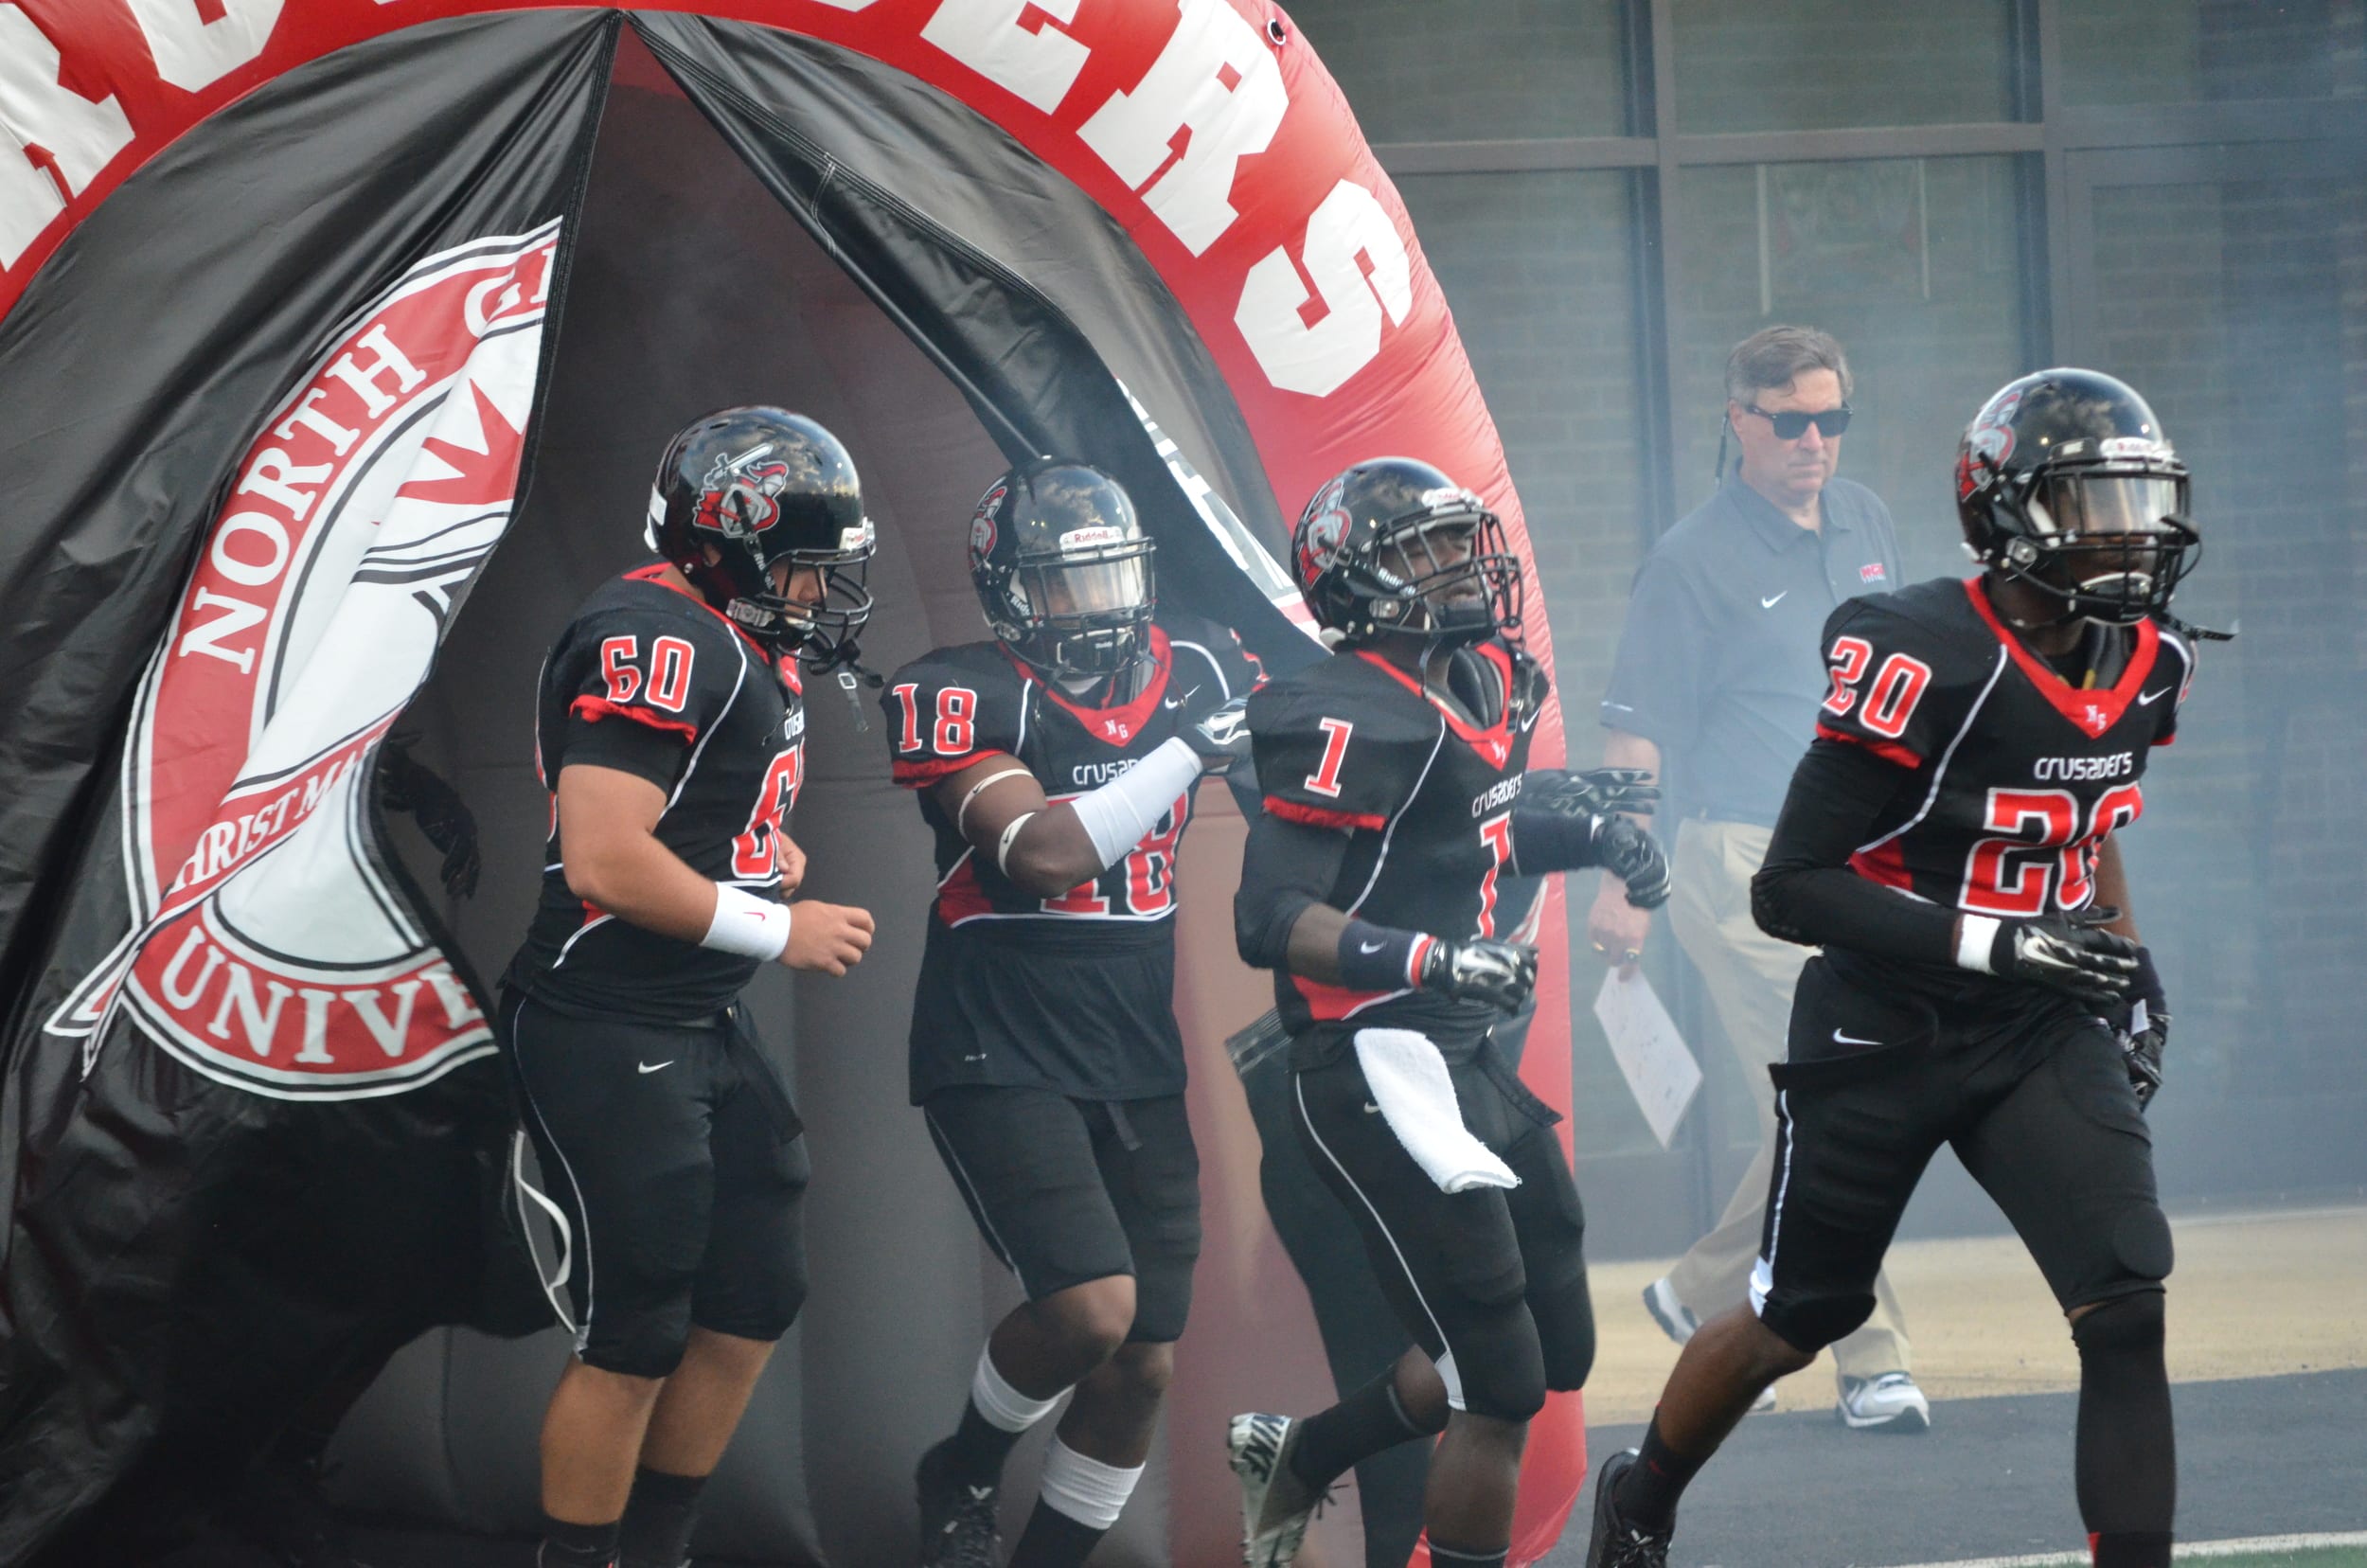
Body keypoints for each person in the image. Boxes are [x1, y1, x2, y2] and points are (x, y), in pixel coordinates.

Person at [1584, 368, 2205, 1568]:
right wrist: (1992, 937)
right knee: (1796, 1317)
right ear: (2010, 516)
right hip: (1883, 1024)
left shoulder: (2151, 661)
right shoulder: (1921, 648)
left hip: (2035, 1026)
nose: (2126, 533)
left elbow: (2085, 819)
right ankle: (1644, 1495)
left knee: (2125, 1304)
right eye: (2092, 505)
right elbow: (1792, 885)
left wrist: (2125, 961)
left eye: (2137, 501)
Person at [1225, 458, 1671, 1568]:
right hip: (1370, 1057)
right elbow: (1270, 917)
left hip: (1460, 1049)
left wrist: (1592, 842)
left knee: (1555, 1344)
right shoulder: (1338, 709)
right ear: (1356, 581)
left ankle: (1302, 1452)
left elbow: (1471, 836)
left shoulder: (1490, 680)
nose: (1462, 566)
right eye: (1424, 551)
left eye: (1459, 542)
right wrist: (1428, 957)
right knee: (1502, 1385)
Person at [499, 407, 881, 1568]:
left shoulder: (723, 631)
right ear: (730, 547)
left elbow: (687, 811)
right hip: (601, 1018)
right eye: (806, 571)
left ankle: (656, 1549)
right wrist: (777, 923)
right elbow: (607, 859)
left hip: (688, 1017)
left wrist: (756, 852)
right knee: (637, 1331)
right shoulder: (652, 632)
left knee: (756, 1294)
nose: (820, 598)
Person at [885, 460, 1258, 1568]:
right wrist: (1189, 746)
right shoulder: (961, 687)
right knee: (1093, 1309)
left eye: (1111, 579)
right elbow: (1044, 853)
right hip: (997, 1035)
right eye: (1064, 585)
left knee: (1142, 1357)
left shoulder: (1198, 659)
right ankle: (959, 1466)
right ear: (1009, 595)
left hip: (1133, 1045)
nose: (1094, 609)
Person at [1594, 325, 1923, 1429]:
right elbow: (1635, 733)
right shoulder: (1689, 559)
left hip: (1865, 859)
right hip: (1743, 865)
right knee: (1842, 1100)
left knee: (1838, 1101)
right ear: (1738, 423)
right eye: (1790, 422)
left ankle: (1696, 1291)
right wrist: (1621, 882)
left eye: (1830, 420)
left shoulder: (1866, 518)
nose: (1814, 442)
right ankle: (1871, 1357)